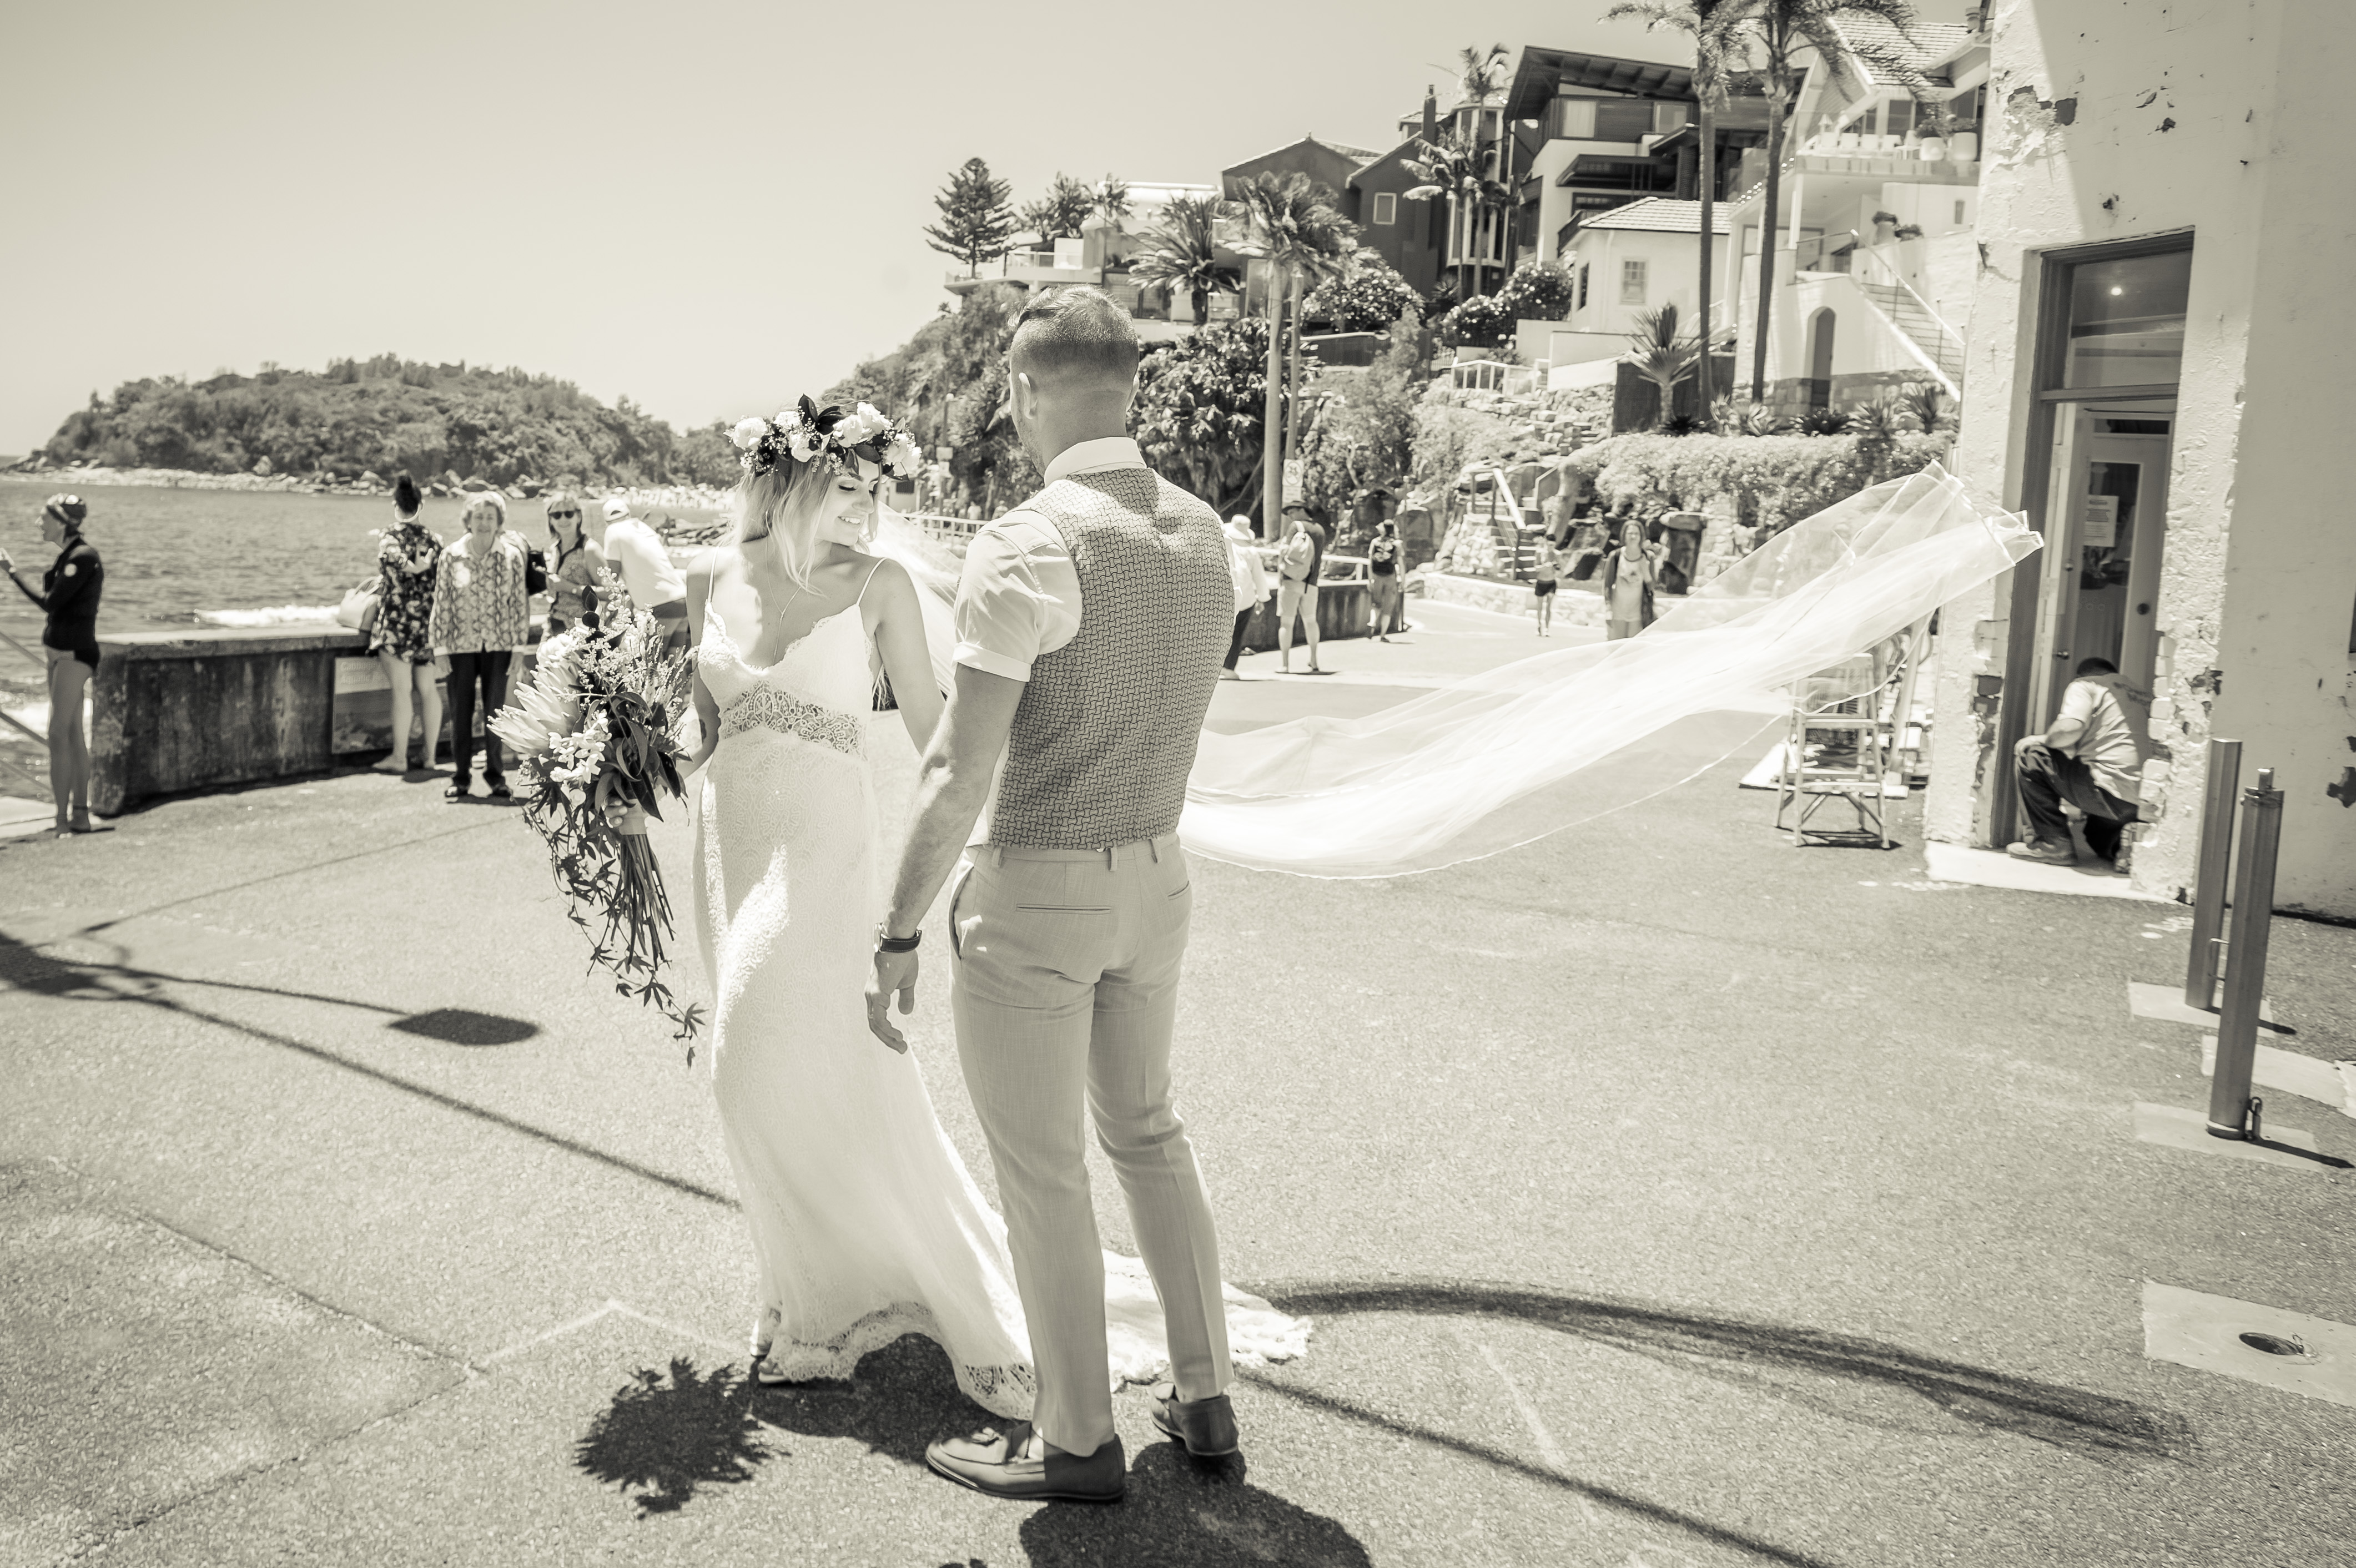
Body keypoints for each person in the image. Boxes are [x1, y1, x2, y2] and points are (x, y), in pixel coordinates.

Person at [604, 379, 1297, 1506]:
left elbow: (942, 737)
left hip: (826, 854)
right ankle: (814, 1298)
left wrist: (952, 873)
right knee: (806, 1075)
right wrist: (616, 768)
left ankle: (916, 1322)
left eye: (874, 491)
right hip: (734, 841)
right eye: (846, 488)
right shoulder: (706, 577)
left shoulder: (879, 585)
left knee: (744, 1060)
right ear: (789, 480)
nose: (864, 510)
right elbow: (702, 728)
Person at [868, 287, 1273, 1503]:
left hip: (1039, 891)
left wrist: (896, 926)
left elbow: (956, 769)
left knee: (1044, 1172)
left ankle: (1078, 1438)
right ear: (1131, 387)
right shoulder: (1210, 536)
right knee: (1149, 1132)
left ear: (1025, 390)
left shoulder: (1025, 543)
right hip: (1158, 875)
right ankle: (1205, 1397)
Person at [1, 493, 103, 834]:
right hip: (58, 654)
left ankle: (64, 820)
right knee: (71, 734)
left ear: (61, 523)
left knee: (57, 734)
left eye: (44, 519)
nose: (38, 524)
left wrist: (12, 572)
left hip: (74, 656)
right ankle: (78, 816)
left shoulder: (82, 557)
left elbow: (51, 602)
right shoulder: (69, 557)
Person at [429, 492, 530, 801]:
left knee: (496, 714)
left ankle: (496, 776)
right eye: (478, 517)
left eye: (490, 517)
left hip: (499, 645)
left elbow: (519, 603)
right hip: (460, 646)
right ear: (468, 521)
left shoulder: (511, 556)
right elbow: (442, 602)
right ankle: (460, 778)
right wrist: (439, 648)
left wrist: (519, 647)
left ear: (499, 522)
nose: (484, 523)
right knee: (460, 713)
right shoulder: (451, 555)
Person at [2010, 656, 2146, 866]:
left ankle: (2052, 844)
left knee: (2032, 756)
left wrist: (2042, 739)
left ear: (2084, 675)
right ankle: (2126, 849)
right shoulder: (2145, 696)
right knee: (2095, 835)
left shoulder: (2087, 685)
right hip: (2142, 802)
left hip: (2110, 792)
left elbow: (2069, 730)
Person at [368, 474, 444, 774]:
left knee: (402, 690)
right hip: (427, 624)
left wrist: (411, 567)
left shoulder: (390, 534)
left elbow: (394, 556)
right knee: (428, 689)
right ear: (421, 505)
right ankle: (430, 756)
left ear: (396, 505)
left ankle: (399, 758)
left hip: (396, 623)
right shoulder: (435, 540)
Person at [599, 496, 690, 652]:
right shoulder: (644, 528)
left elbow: (611, 578)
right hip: (682, 599)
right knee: (674, 661)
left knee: (652, 660)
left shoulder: (613, 530)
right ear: (628, 515)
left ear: (606, 521)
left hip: (660, 605)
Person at [541, 491, 605, 636]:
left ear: (578, 516)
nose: (563, 519)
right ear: (550, 519)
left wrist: (572, 588)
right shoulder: (555, 549)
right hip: (553, 624)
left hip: (580, 632)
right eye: (557, 515)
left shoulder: (589, 550)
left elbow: (610, 592)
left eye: (569, 514)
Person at [1273, 506, 1325, 674]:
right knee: (1311, 621)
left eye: (1292, 512)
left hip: (1291, 581)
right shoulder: (1320, 530)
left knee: (1286, 623)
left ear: (1302, 510)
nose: (1290, 516)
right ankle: (1314, 660)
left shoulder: (1296, 526)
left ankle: (1285, 665)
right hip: (1311, 583)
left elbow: (1285, 552)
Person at [1220, 515, 1270, 680]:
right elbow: (1259, 576)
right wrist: (1262, 598)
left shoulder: (1223, 544)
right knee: (1237, 634)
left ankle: (1217, 666)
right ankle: (1229, 667)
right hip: (1246, 598)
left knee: (1219, 633)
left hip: (1223, 596)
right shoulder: (1251, 550)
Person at [1599, 518, 1659, 641]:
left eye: (1636, 534)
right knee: (1616, 648)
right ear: (1624, 535)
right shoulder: (1615, 556)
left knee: (1633, 649)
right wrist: (1609, 609)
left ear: (1641, 536)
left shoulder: (1648, 557)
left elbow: (1652, 587)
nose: (1633, 536)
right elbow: (1607, 585)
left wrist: (1645, 570)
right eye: (1630, 533)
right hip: (1617, 612)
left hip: (1638, 614)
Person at [1367, 519, 1403, 641]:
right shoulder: (1397, 544)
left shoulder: (1375, 542)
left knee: (1376, 604)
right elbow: (1401, 564)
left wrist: (1370, 579)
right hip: (1390, 577)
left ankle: (1372, 622)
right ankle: (1382, 635)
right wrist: (1403, 581)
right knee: (1388, 609)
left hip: (1377, 576)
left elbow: (1370, 562)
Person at [1531, 537, 1560, 638]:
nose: (1551, 547)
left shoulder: (1557, 554)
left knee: (1548, 607)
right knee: (1540, 607)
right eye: (1550, 545)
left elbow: (1560, 569)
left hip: (1551, 583)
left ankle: (1547, 628)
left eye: (1553, 545)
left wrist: (1555, 566)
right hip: (1541, 582)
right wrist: (1545, 566)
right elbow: (1536, 569)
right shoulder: (1540, 553)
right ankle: (1539, 626)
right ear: (1546, 544)